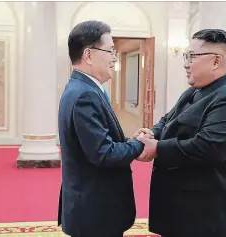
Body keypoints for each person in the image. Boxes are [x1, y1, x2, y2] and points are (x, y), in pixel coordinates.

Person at [133, 29, 226, 237]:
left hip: (207, 212)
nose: (186, 63)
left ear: (216, 61)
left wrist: (157, 148)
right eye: (186, 56)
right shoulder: (195, 90)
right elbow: (168, 120)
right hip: (182, 206)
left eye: (192, 57)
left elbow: (209, 148)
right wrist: (152, 133)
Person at [57, 20, 144, 237]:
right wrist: (139, 145)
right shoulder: (85, 94)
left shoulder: (83, 88)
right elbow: (103, 153)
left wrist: (127, 140)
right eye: (110, 51)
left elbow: (98, 138)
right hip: (95, 213)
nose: (114, 57)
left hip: (91, 207)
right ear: (89, 55)